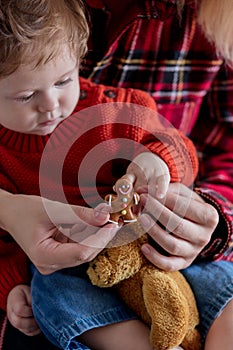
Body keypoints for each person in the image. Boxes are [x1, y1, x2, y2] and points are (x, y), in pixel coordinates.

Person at [0, 1, 199, 349]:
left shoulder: (112, 111)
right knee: (50, 295)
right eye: (27, 95)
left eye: (64, 81)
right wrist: (11, 286)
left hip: (152, 250)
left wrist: (157, 161)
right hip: (69, 271)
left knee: (222, 284)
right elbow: (7, 246)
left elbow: (175, 145)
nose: (50, 104)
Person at [79, 1, 233, 350]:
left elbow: (226, 143)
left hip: (172, 250)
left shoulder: (214, 18)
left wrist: (213, 219)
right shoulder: (24, 17)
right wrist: (9, 210)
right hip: (55, 256)